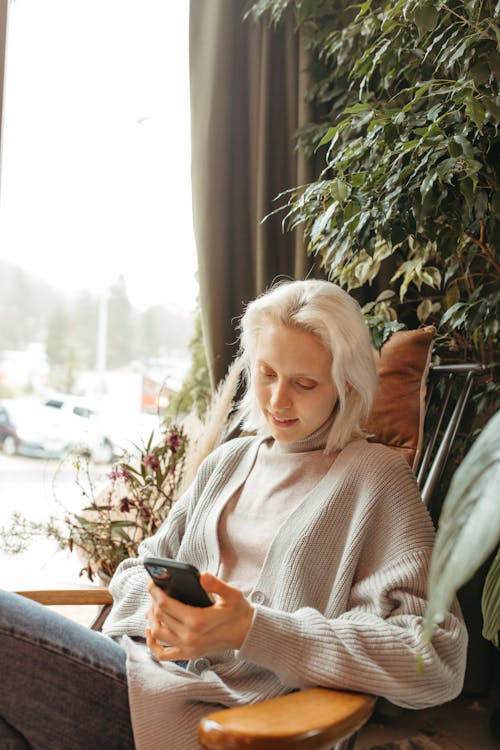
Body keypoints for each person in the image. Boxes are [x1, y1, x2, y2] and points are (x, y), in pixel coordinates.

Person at [0, 279, 467, 750]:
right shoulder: (230, 460)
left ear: (347, 383)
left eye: (304, 383)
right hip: (141, 677)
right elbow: (139, 568)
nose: (278, 401)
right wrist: (163, 618)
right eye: (266, 374)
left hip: (224, 720)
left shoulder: (375, 478)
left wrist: (254, 630)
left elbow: (436, 657)